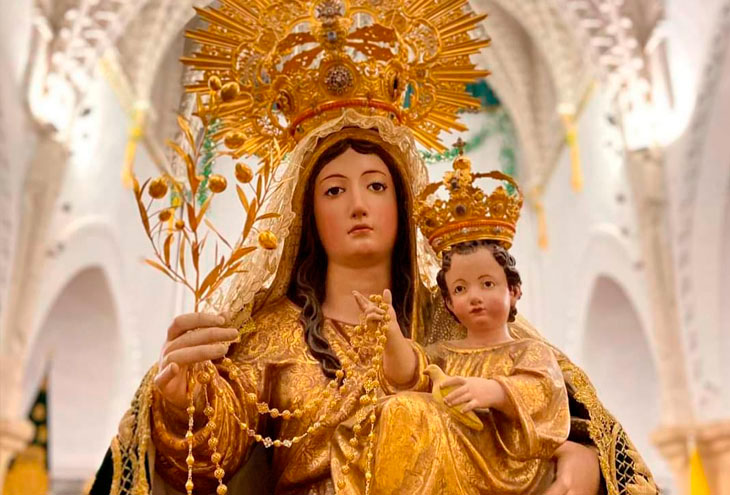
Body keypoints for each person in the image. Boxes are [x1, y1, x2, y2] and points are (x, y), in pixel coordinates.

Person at [89, 1, 658, 494]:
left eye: (376, 186)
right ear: (308, 213)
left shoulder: (454, 318)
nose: (357, 204)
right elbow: (211, 458)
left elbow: (547, 401)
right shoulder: (273, 330)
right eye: (335, 190)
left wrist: (576, 454)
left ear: (403, 202)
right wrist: (181, 401)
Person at [342, 161, 570, 494]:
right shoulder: (443, 354)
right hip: (445, 457)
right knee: (397, 408)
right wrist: (391, 333)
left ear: (514, 291)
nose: (475, 297)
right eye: (461, 289)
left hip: (507, 466)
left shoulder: (529, 351)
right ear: (448, 303)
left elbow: (544, 392)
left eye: (488, 284)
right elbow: (408, 377)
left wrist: (494, 391)